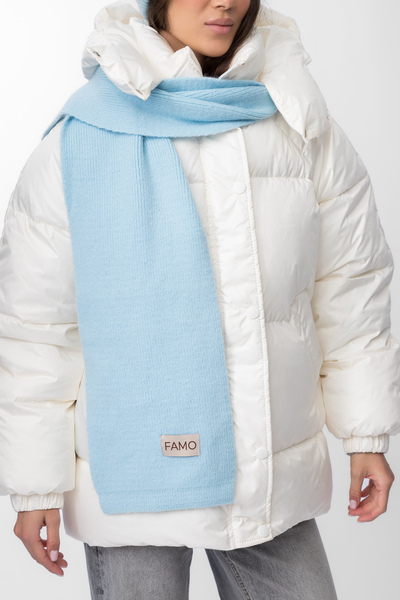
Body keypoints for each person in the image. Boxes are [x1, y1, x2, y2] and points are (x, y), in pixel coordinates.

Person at [1, 0, 399, 598]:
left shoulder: (298, 124)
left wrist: (366, 435)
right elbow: (35, 328)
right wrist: (35, 485)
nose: (225, 2)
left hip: (267, 474)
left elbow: (351, 286)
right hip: (130, 482)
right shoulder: (79, 139)